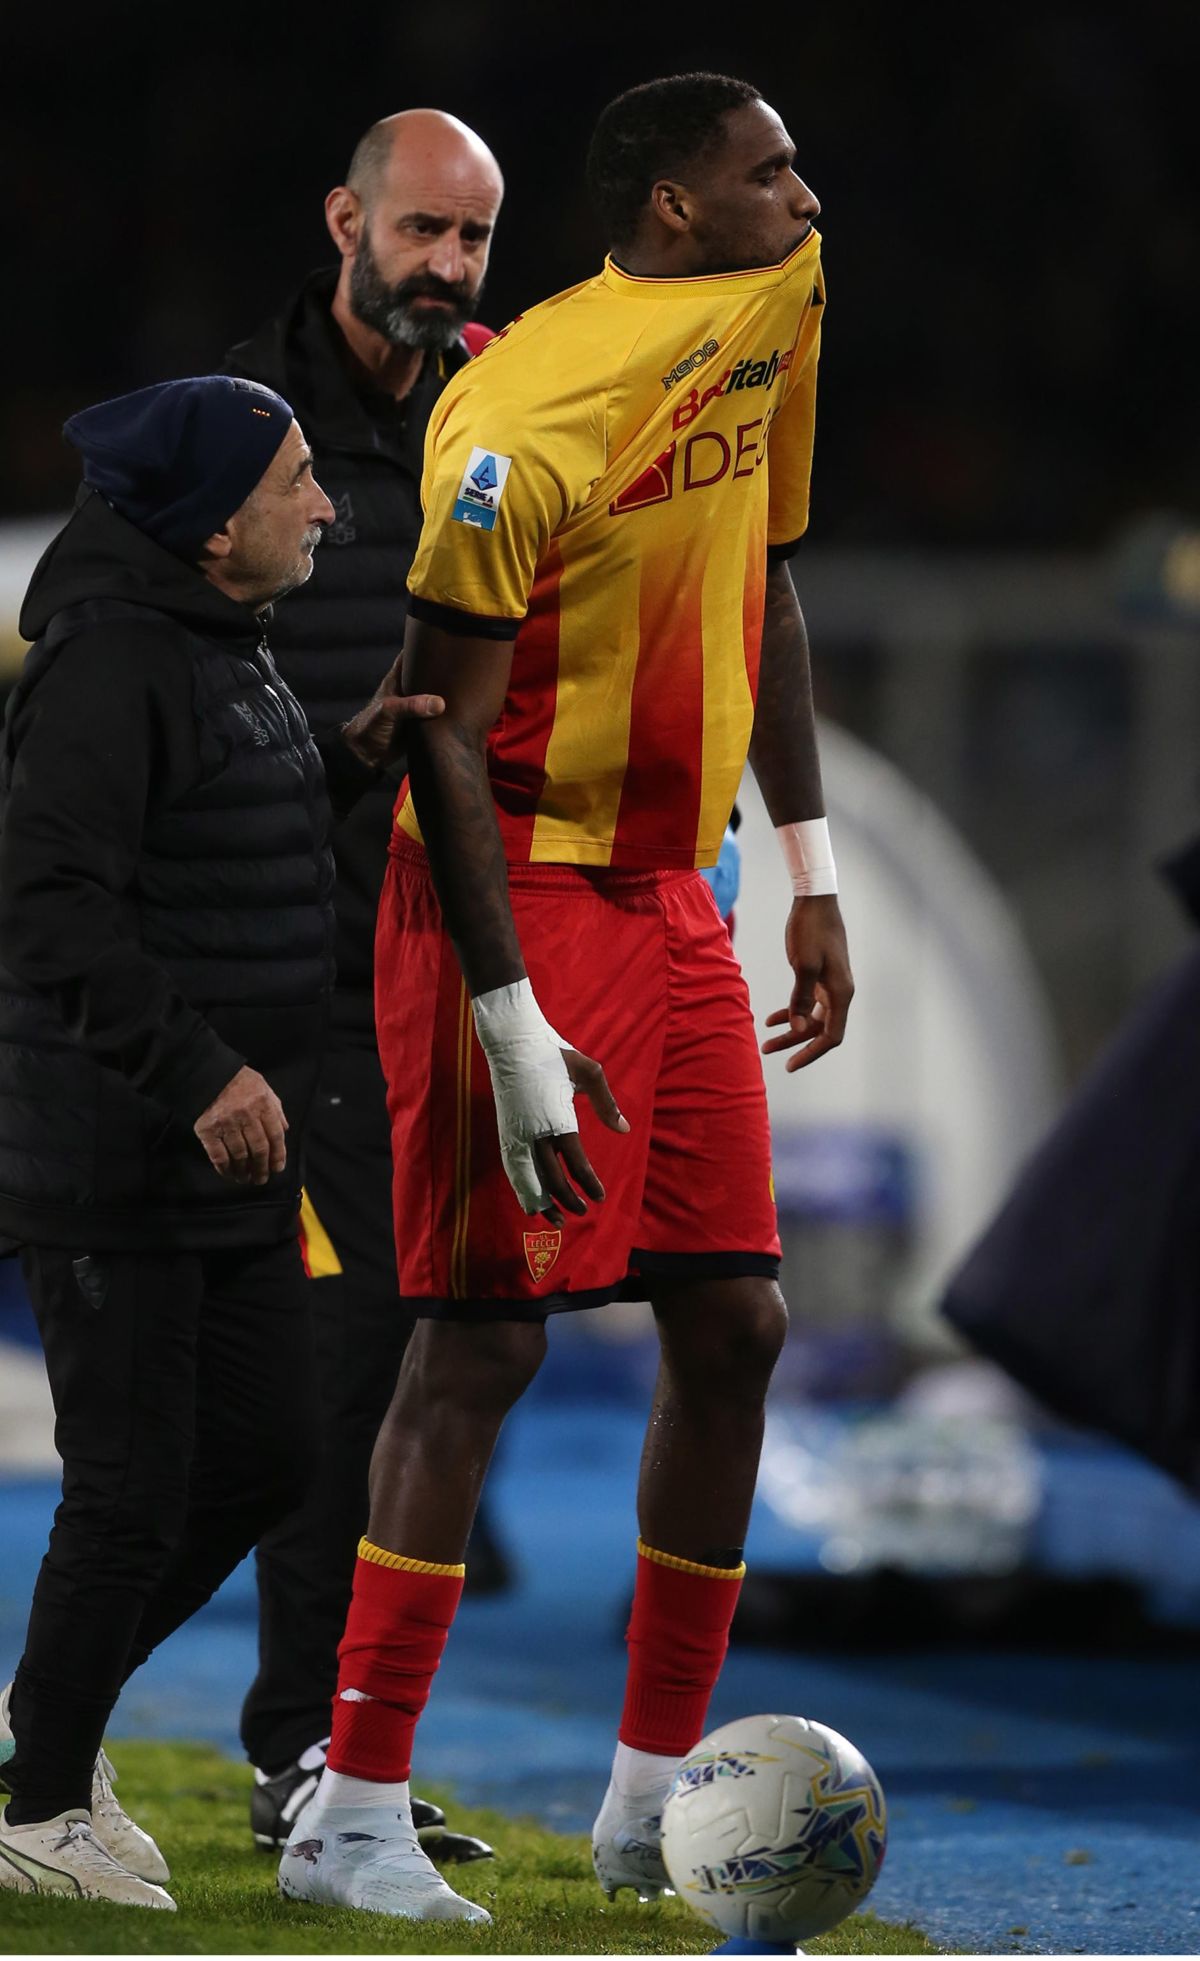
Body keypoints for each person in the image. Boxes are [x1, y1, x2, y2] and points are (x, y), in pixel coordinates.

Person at [278, 71, 854, 1928]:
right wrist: (510, 1016)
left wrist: (810, 871)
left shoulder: (779, 308)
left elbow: (766, 579)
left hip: (676, 891)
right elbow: (438, 732)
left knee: (738, 1323)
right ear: (677, 204)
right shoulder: (521, 410)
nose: (806, 195)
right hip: (509, 881)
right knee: (480, 1347)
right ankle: (350, 1806)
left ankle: (646, 1804)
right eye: (771, 171)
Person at [0, 377, 441, 1909]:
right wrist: (195, 1070)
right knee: (129, 1485)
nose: (325, 505)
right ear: (207, 526)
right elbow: (49, 903)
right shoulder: (108, 661)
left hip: (230, 1154)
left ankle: (40, 1722)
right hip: (118, 1149)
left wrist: (352, 753)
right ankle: (39, 1805)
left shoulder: (217, 640)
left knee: (268, 1454)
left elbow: (223, 833)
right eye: (295, 481)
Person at [223, 107, 502, 1864]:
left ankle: (350, 1751)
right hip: (308, 976)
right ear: (346, 220)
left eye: (473, 238)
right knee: (339, 1364)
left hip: (474, 967)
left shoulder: (509, 404)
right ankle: (301, 1749)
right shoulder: (231, 427)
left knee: (432, 1348)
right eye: (422, 231)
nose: (447, 267)